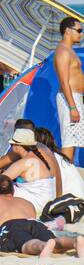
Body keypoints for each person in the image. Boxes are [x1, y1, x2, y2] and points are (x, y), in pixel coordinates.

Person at [0, 174, 78, 258]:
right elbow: (27, 226)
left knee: (27, 244)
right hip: (33, 222)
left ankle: (43, 246)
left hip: (11, 226)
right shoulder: (26, 203)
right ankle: (74, 242)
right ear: (13, 191)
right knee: (54, 243)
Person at [53, 16, 84, 161]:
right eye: (78, 30)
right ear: (67, 31)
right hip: (69, 98)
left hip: (75, 97)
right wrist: (72, 107)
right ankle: (64, 175)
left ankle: (68, 172)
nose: (81, 33)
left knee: (74, 138)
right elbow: (64, 82)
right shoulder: (63, 52)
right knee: (69, 139)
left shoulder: (69, 50)